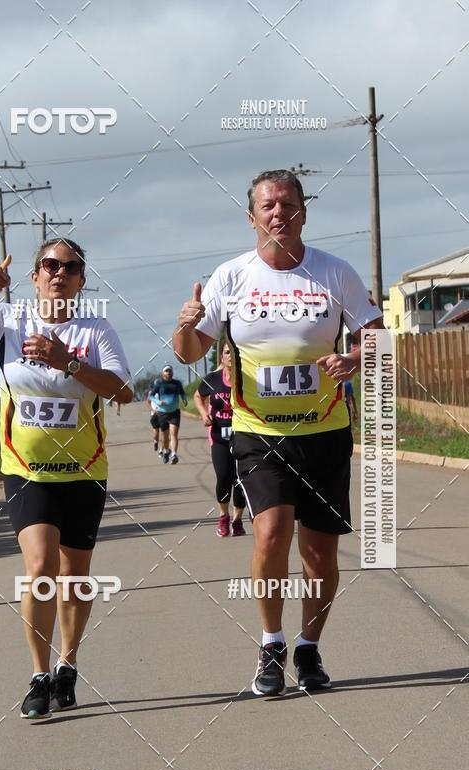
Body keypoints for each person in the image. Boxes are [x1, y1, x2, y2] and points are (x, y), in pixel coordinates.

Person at [173, 169, 383, 698]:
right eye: (267, 206)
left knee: (319, 554)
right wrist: (185, 321)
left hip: (326, 430)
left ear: (303, 213)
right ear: (251, 218)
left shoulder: (335, 274)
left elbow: (378, 339)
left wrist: (355, 358)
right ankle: (271, 643)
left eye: (288, 204)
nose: (278, 214)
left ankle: (309, 647)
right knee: (270, 534)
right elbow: (189, 351)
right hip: (258, 431)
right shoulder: (231, 277)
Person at [0, 238, 133, 719]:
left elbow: (122, 390)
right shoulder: (6, 320)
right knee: (40, 567)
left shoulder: (96, 329)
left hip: (84, 471)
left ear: (82, 281)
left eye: (70, 267)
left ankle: (69, 662)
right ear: (35, 276)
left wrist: (69, 362)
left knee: (75, 577)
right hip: (26, 470)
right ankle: (40, 675)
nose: (58, 273)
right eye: (48, 265)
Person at [194, 344, 246, 537]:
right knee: (224, 476)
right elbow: (198, 396)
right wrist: (202, 414)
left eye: (234, 353)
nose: (230, 356)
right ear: (222, 358)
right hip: (219, 436)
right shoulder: (213, 379)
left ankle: (238, 519)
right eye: (226, 352)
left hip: (244, 437)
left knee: (241, 480)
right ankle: (223, 516)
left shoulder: (246, 378)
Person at [149, 365, 187, 464]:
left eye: (170, 371)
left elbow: (182, 393)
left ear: (172, 372)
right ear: (163, 373)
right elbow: (151, 396)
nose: (168, 373)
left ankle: (174, 454)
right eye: (166, 371)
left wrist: (184, 399)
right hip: (162, 413)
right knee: (164, 436)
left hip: (174, 412)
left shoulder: (177, 383)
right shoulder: (159, 384)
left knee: (174, 433)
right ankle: (166, 451)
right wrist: (158, 402)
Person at [146, 382, 161, 453]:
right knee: (164, 431)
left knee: (156, 430)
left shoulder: (150, 393)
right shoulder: (163, 392)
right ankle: (164, 448)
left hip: (154, 414)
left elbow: (148, 403)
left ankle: (155, 441)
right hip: (162, 413)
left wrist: (152, 410)